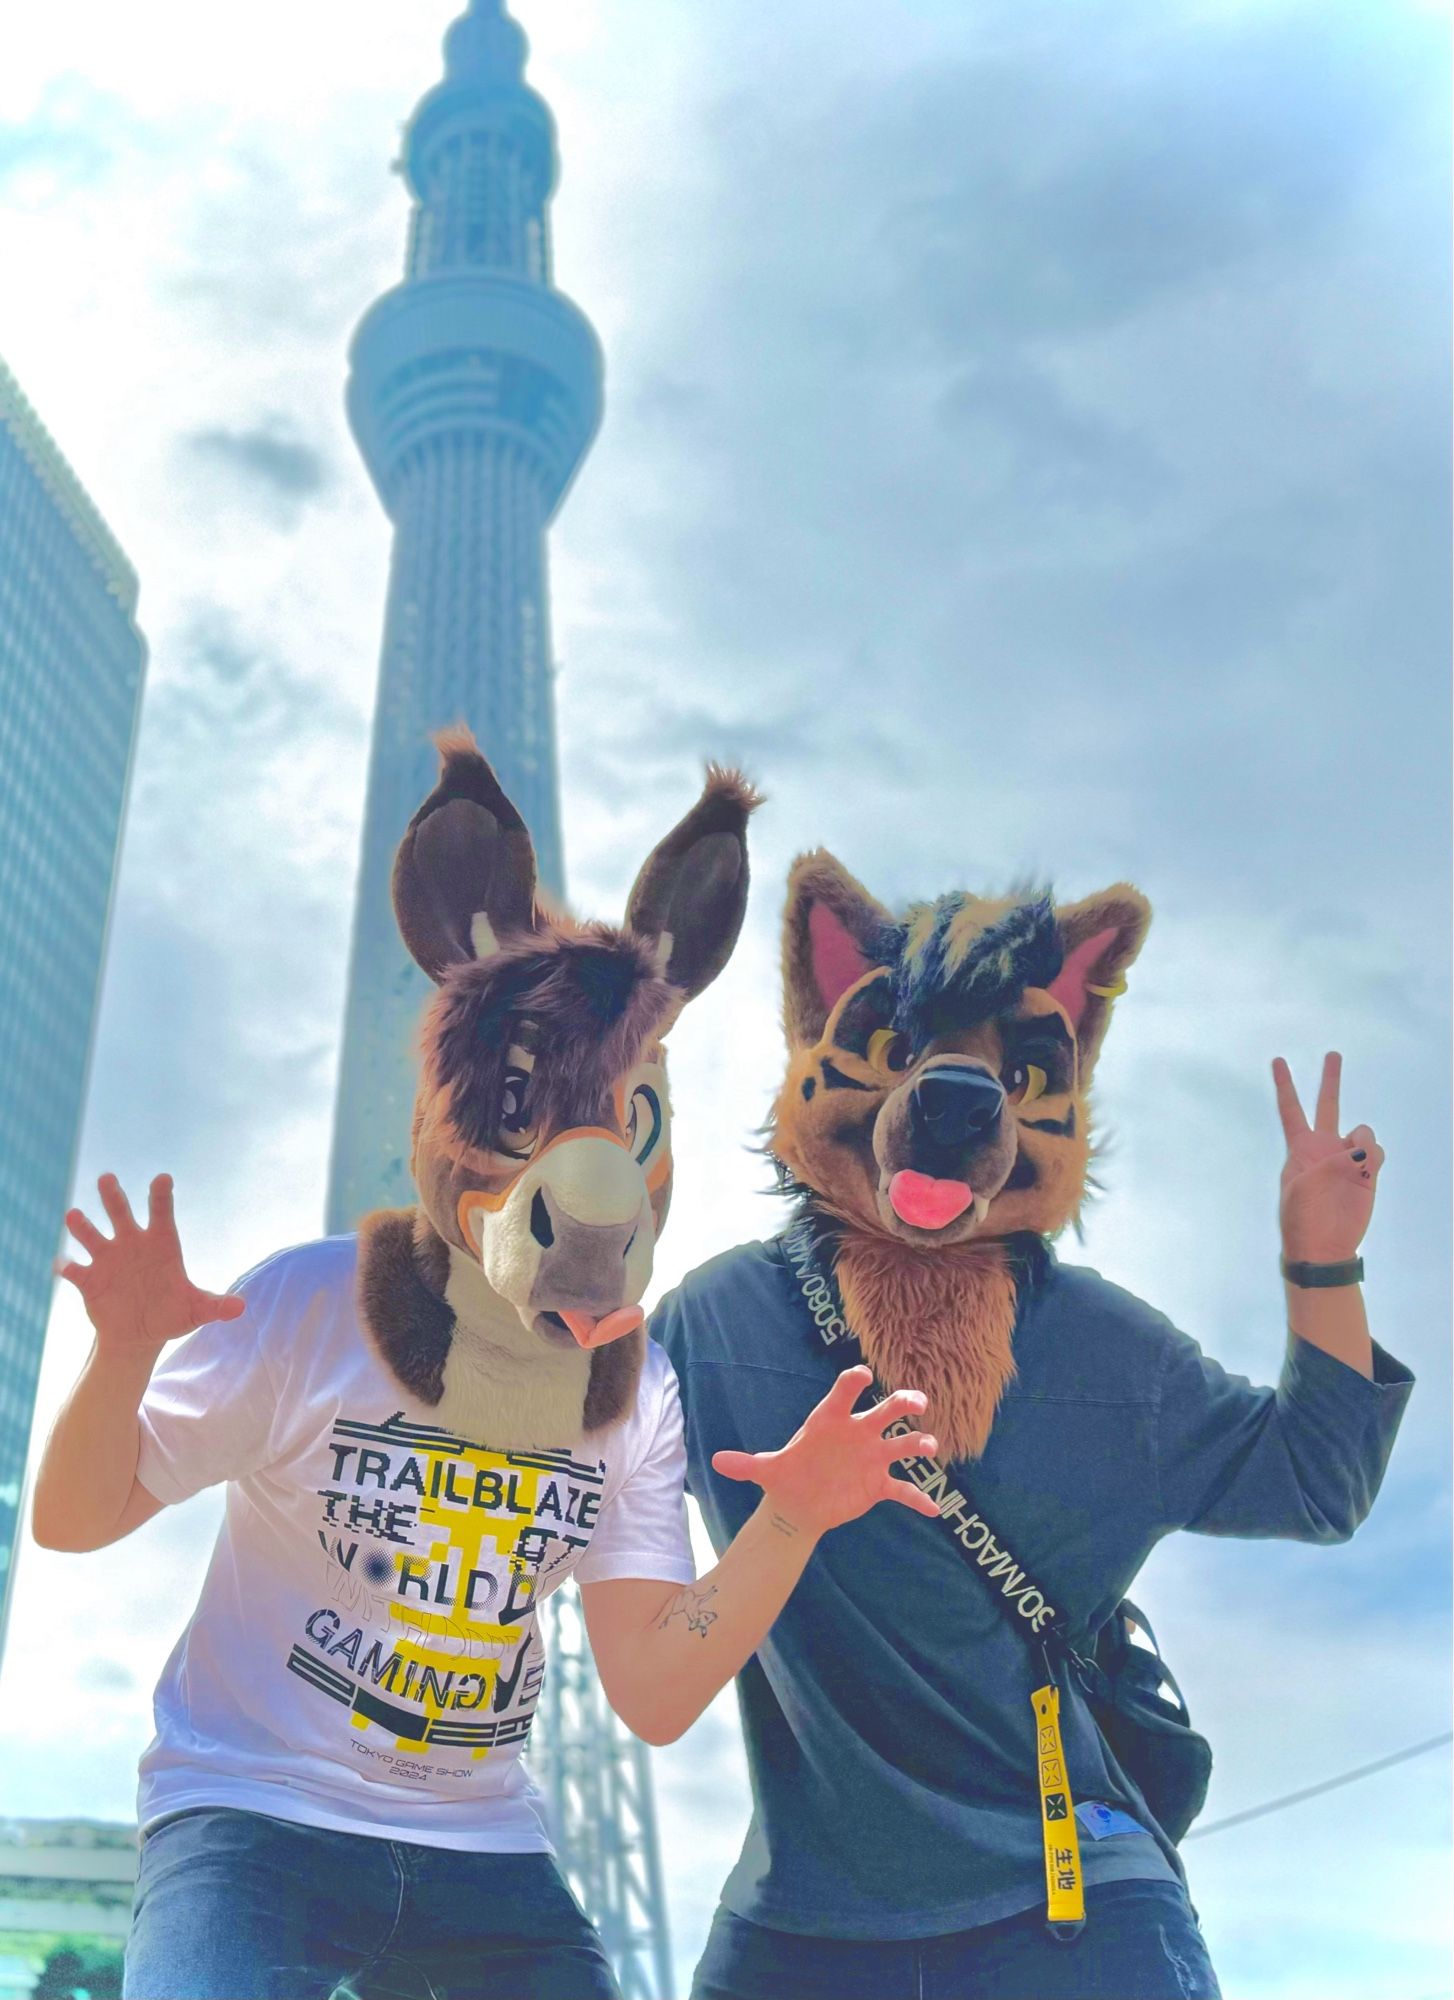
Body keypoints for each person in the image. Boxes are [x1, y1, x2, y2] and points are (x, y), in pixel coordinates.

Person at [31, 737, 941, 2000]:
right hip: (249, 1819)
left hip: (482, 1851)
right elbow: (76, 1519)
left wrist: (787, 1518)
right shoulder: (308, 1302)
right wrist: (124, 1353)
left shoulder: (636, 1393)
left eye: (624, 1118)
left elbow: (655, 1689)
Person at [651, 854, 1413, 2000]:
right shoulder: (716, 1326)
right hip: (809, 1923)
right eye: (904, 1052)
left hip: (1067, 1904)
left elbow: (1311, 1481)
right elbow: (565, 1462)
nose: (960, 1101)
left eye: (1015, 1069)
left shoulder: (1107, 1353)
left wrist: (1321, 1251)